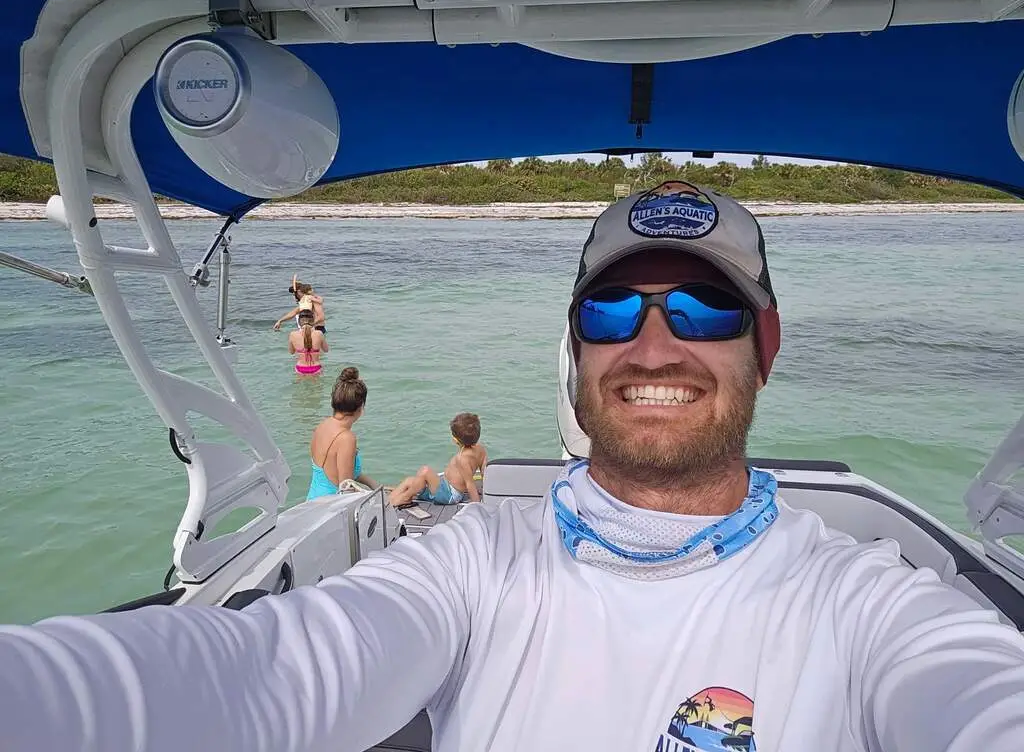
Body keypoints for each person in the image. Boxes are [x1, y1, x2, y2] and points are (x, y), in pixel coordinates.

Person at [2, 181, 1023, 752]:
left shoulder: (866, 601)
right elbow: (265, 674)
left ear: (765, 346)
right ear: (577, 351)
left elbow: (977, 698)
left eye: (705, 311)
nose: (655, 346)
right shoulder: (474, 564)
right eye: (613, 312)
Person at [306, 367, 379, 499]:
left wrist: (376, 487)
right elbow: (346, 490)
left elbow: (336, 473)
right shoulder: (346, 438)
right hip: (330, 508)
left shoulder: (322, 426)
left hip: (313, 501)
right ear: (361, 408)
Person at [388, 412, 487, 506]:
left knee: (425, 471)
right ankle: (388, 502)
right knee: (409, 481)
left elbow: (469, 484)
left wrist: (477, 506)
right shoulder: (481, 450)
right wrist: (486, 490)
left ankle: (405, 498)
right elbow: (485, 473)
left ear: (455, 440)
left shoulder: (462, 459)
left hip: (450, 495)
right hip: (445, 487)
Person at [288, 310, 328, 376]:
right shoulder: (319, 333)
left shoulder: (292, 334)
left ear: (299, 322)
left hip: (300, 368)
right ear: (313, 321)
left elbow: (291, 352)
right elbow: (326, 350)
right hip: (316, 368)